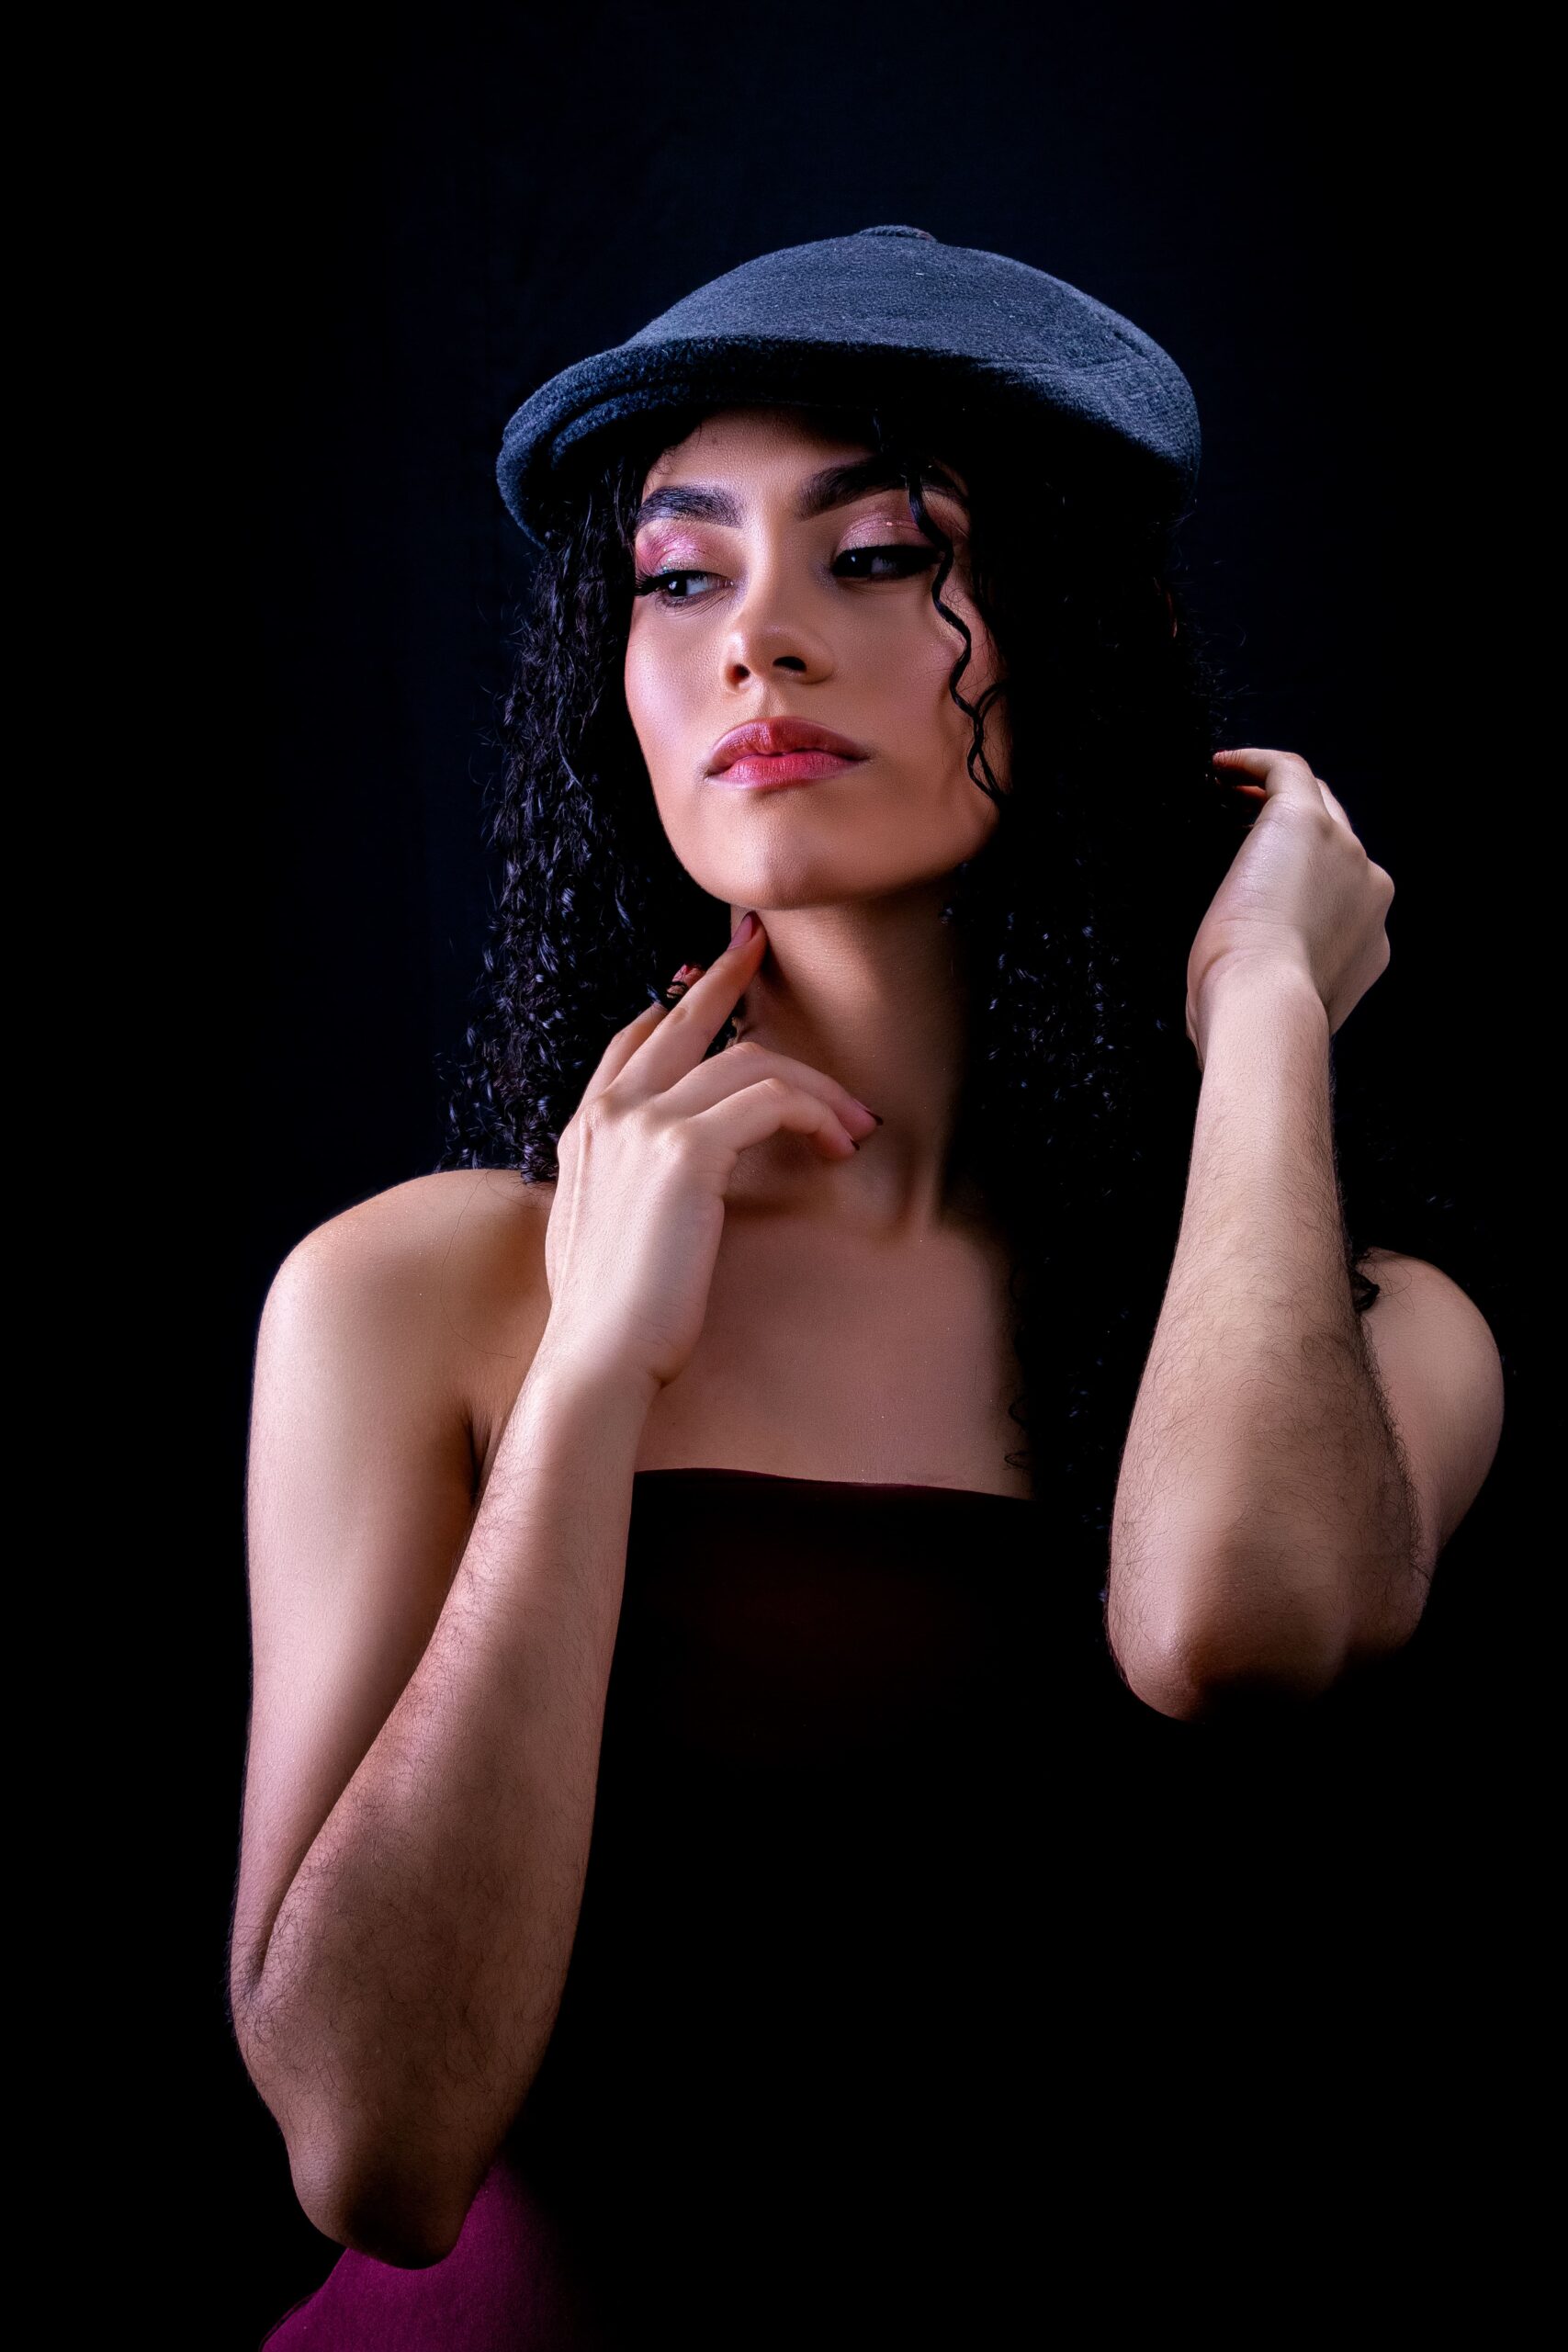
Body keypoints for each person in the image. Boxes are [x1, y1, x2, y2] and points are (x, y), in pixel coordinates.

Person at [231, 228, 1506, 2348]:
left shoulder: (1365, 1327)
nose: (757, 641)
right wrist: (591, 1372)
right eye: (678, 575)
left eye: (880, 553)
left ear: (1071, 637)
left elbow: (1229, 1615)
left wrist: (1265, 1003)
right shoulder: (412, 1290)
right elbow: (376, 2142)